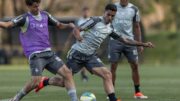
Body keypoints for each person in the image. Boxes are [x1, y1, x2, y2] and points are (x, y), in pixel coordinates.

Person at [35, 3, 154, 101]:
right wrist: (78, 37)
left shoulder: (110, 28)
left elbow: (125, 39)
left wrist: (142, 43)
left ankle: (113, 99)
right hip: (77, 54)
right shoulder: (95, 21)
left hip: (90, 57)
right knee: (62, 82)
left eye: (113, 16)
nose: (110, 18)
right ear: (104, 13)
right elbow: (77, 29)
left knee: (107, 74)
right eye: (109, 15)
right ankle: (45, 81)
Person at [0, 0, 78, 101]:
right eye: (34, 7)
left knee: (67, 75)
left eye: (38, 6)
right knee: (35, 82)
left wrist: (68, 25)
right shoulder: (24, 18)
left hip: (49, 53)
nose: (37, 8)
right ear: (28, 6)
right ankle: (16, 99)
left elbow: (58, 25)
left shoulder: (45, 15)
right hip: (36, 55)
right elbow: (7, 25)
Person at [108, 0, 148, 99]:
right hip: (115, 40)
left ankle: (137, 92)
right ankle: (111, 93)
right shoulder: (113, 7)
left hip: (130, 41)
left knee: (135, 65)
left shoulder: (134, 9)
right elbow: (106, 21)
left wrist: (139, 43)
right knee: (113, 66)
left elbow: (137, 26)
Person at [76, 6, 91, 82]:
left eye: (87, 11)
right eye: (84, 11)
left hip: (89, 43)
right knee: (82, 60)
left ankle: (83, 74)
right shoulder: (79, 21)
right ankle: (83, 74)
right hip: (79, 43)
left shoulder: (91, 20)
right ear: (82, 12)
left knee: (85, 60)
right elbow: (75, 30)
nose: (86, 13)